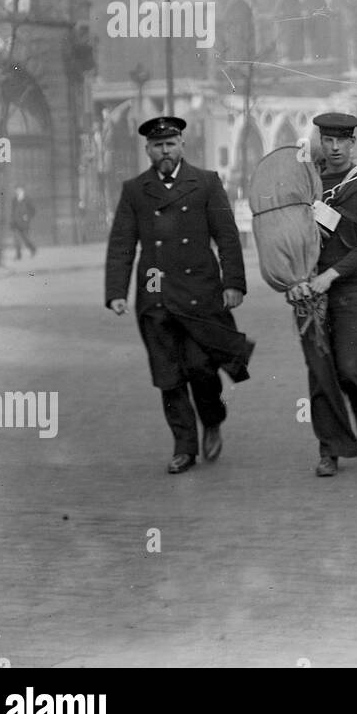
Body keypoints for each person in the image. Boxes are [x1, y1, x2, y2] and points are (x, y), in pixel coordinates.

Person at [105, 116, 254, 475]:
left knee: (202, 368)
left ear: (182, 145)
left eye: (170, 144)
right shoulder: (135, 189)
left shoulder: (205, 183)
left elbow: (227, 236)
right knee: (168, 376)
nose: (165, 151)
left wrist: (233, 283)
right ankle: (184, 447)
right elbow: (122, 244)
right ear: (148, 151)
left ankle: (212, 419)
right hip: (155, 293)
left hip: (199, 293)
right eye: (158, 146)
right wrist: (116, 292)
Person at [294, 112, 357, 477]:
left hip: (347, 289)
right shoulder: (305, 184)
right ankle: (329, 448)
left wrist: (332, 274)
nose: (334, 148)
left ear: (352, 143)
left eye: (341, 141)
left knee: (350, 368)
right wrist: (295, 276)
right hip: (307, 292)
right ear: (320, 142)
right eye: (327, 141)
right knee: (320, 373)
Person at [10, 186, 37, 260]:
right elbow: (12, 211)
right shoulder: (14, 200)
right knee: (16, 240)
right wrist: (12, 220)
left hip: (24, 223)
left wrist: (27, 216)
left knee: (26, 239)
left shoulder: (27, 199)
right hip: (15, 223)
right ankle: (18, 255)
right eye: (16, 190)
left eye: (19, 190)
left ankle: (33, 249)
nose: (18, 191)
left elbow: (33, 211)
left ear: (23, 190)